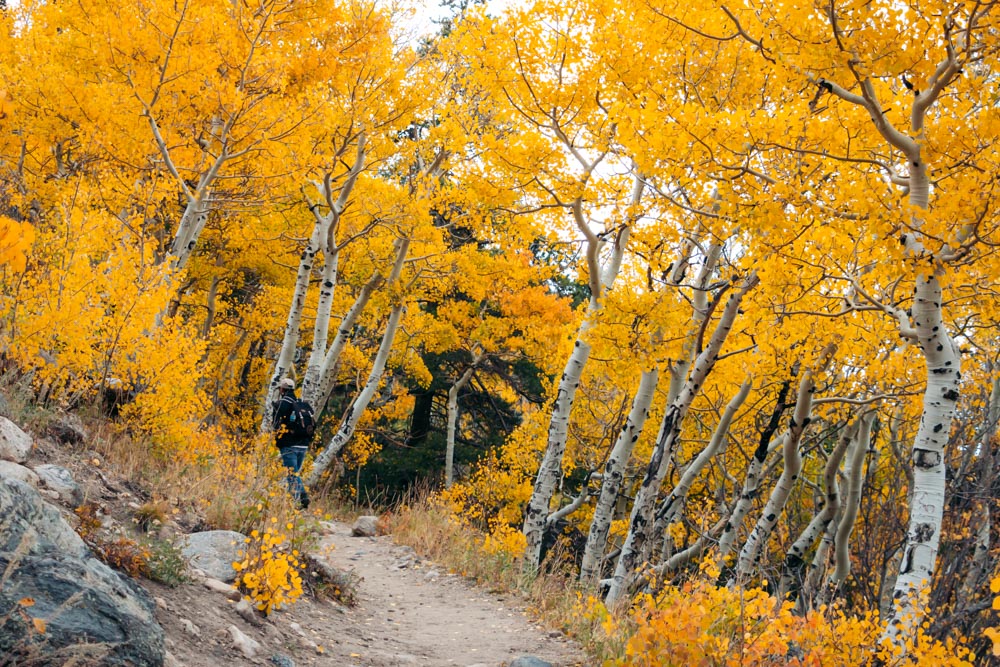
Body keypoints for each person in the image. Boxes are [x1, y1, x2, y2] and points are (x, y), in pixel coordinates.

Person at [271, 377, 311, 509]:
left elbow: (275, 425)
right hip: (303, 445)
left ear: (282, 389)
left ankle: (302, 496)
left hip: (289, 445)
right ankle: (292, 505)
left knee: (292, 474)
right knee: (294, 474)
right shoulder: (301, 404)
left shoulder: (282, 404)